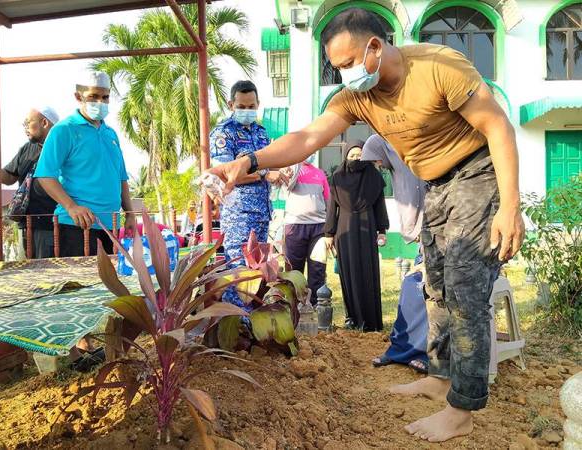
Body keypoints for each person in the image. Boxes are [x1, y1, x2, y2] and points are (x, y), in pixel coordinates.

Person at [208, 7, 525, 442]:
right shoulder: (358, 95)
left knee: (465, 286)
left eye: (346, 64)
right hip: (433, 183)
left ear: (374, 47)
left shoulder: (438, 66)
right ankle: (440, 376)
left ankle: (462, 408)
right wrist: (248, 161)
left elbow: (498, 126)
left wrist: (510, 206)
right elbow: (306, 138)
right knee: (434, 285)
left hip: (477, 171)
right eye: (336, 68)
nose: (344, 76)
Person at [35, 72, 135, 258]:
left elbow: (121, 177)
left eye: (105, 97)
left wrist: (129, 212)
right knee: (80, 286)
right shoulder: (64, 130)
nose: (100, 102)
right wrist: (71, 207)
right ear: (78, 97)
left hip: (111, 225)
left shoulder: (110, 133)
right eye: (93, 96)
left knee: (111, 284)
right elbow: (45, 175)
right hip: (77, 226)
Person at [209, 80, 287, 310]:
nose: (246, 111)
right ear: (231, 104)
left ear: (258, 104)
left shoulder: (261, 133)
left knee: (257, 270)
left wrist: (275, 172)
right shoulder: (224, 133)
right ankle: (236, 323)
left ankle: (251, 321)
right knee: (239, 271)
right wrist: (264, 174)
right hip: (239, 214)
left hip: (262, 212)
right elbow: (225, 174)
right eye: (241, 106)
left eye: (251, 106)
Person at [360, 135, 429, 372]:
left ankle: (428, 353)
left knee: (420, 288)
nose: (380, 168)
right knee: (412, 287)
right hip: (426, 237)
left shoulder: (432, 147)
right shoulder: (392, 150)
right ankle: (401, 349)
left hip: (446, 234)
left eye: (378, 163)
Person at [324, 140, 389, 331]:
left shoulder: (374, 177)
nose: (356, 159)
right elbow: (332, 207)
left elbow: (380, 207)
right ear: (345, 157)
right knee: (348, 272)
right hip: (344, 230)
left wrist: (382, 230)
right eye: (352, 156)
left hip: (368, 228)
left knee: (368, 272)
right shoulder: (337, 177)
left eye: (360, 155)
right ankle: (351, 317)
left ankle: (371, 320)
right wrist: (329, 233)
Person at [0, 107, 59, 258]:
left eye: (27, 123)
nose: (25, 128)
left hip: (51, 225)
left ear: (44, 122)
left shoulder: (62, 146)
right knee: (27, 275)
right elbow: (7, 178)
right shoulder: (27, 148)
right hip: (27, 224)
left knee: (46, 275)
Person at [281, 154, 330, 306]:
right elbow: (284, 184)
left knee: (318, 267)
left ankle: (316, 305)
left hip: (319, 227)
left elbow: (328, 199)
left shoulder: (320, 173)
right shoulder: (290, 170)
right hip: (295, 226)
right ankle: (293, 305)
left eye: (312, 152)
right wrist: (290, 167)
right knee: (294, 269)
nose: (309, 155)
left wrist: (330, 229)